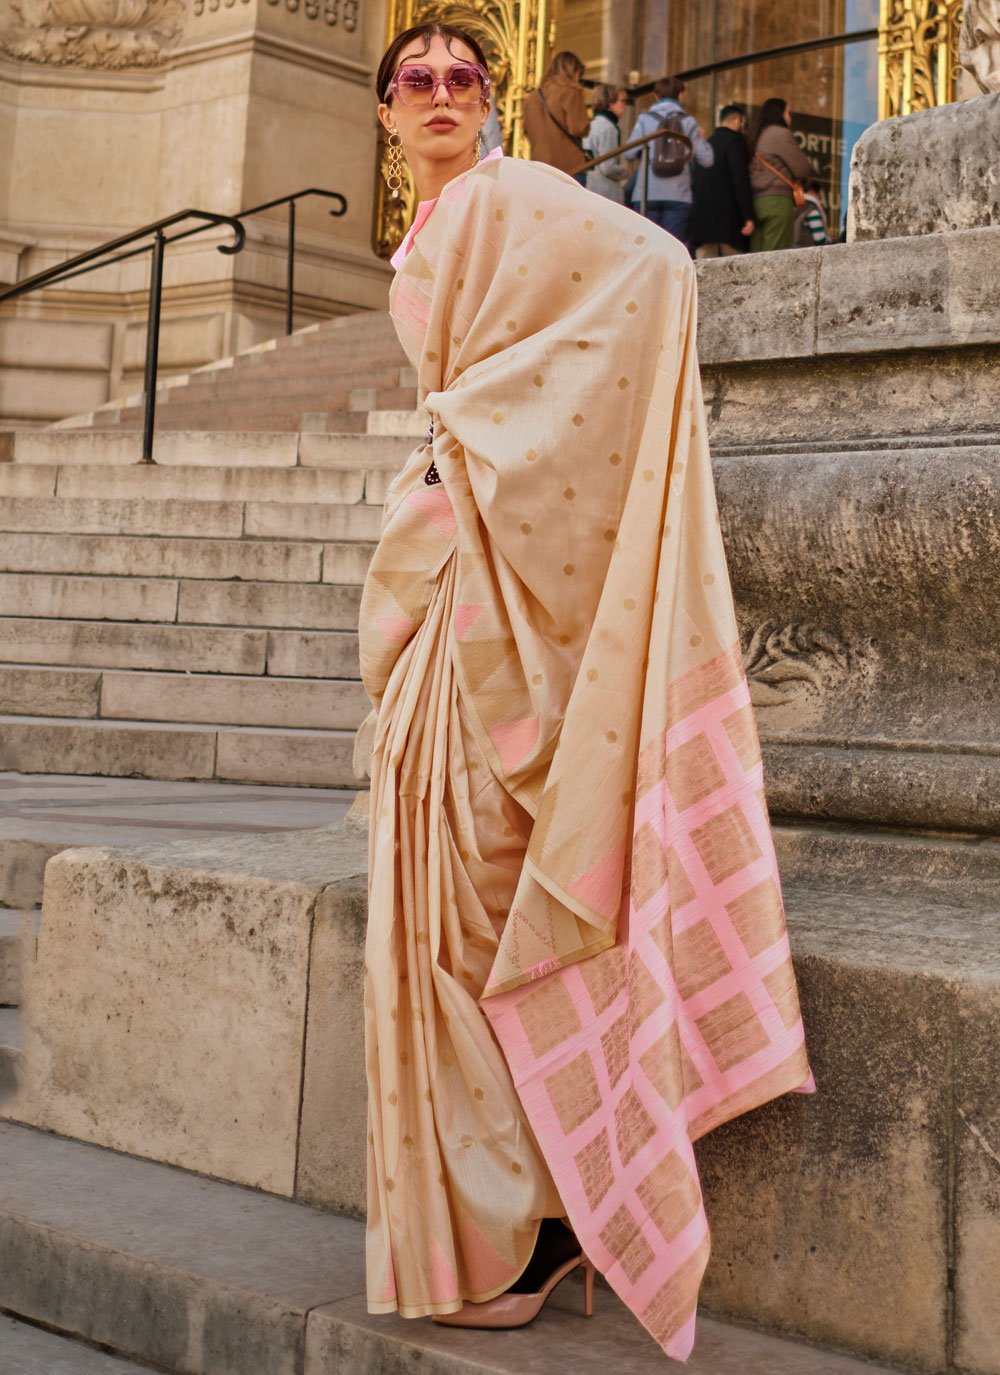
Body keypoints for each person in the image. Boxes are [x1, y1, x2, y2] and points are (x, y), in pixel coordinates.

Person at [367, 19, 813, 1360]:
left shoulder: (510, 197)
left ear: (494, 101)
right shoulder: (438, 227)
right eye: (417, 80)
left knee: (483, 908)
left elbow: (660, 269)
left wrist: (476, 440)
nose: (442, 94)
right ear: (385, 112)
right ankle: (500, 1215)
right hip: (452, 593)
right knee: (438, 910)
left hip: (498, 593)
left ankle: (540, 1221)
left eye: (464, 77)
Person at [623, 75, 713, 251]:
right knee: (672, 251)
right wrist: (700, 140)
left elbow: (628, 153)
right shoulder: (688, 122)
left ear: (655, 97)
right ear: (680, 96)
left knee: (646, 250)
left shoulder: (645, 119)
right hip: (679, 195)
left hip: (646, 195)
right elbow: (707, 159)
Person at [748, 97, 813, 253]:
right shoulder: (780, 134)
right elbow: (802, 168)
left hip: (755, 202)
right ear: (780, 113)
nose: (790, 117)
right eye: (788, 112)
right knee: (775, 258)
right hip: (777, 202)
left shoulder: (755, 135)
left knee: (756, 256)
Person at [690, 103, 754, 257]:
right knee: (735, 274)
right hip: (729, 225)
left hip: (703, 224)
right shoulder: (735, 142)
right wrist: (748, 216)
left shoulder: (706, 144)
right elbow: (740, 180)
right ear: (737, 121)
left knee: (705, 274)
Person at [522, 51, 590, 180]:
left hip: (540, 165)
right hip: (569, 167)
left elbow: (526, 130)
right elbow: (577, 128)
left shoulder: (532, 97)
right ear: (574, 71)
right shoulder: (571, 92)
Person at [581, 84, 630, 203]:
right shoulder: (609, 128)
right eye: (622, 101)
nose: (625, 106)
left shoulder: (591, 124)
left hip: (589, 187)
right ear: (610, 104)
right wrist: (626, 172)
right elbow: (608, 167)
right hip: (604, 192)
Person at [795, 178, 831, 247]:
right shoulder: (811, 210)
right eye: (819, 196)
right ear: (813, 192)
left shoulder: (793, 207)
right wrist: (830, 241)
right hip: (806, 251)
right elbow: (819, 239)